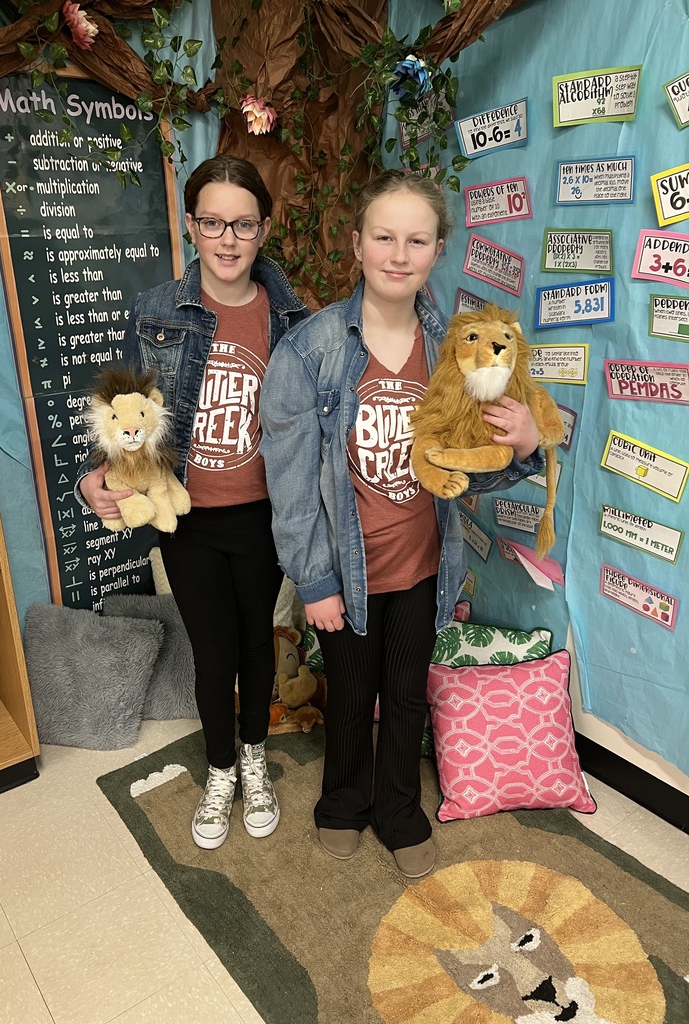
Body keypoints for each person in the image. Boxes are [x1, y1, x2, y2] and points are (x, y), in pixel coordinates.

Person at [259, 169, 543, 879]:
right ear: (357, 243)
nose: (397, 253)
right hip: (345, 573)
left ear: (437, 249)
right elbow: (290, 489)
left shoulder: (459, 347)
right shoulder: (310, 351)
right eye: (383, 236)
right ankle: (343, 801)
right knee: (352, 694)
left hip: (423, 563)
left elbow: (474, 463)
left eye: (416, 240)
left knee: (407, 691)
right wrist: (315, 579)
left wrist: (527, 450)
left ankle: (398, 809)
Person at [78, 155, 310, 849]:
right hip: (188, 519)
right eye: (213, 222)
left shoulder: (293, 319)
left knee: (256, 646)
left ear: (264, 229)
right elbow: (125, 412)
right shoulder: (155, 311)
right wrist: (97, 473)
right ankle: (219, 771)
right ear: (191, 225)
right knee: (214, 654)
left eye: (243, 223)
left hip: (265, 515)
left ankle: (254, 759)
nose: (228, 239)